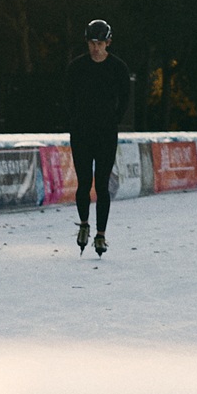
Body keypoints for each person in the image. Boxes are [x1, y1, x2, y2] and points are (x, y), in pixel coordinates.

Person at [64, 18, 134, 256]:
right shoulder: (76, 67)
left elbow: (125, 97)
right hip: (82, 132)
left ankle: (101, 234)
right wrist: (75, 120)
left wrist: (113, 119)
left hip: (105, 133)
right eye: (92, 42)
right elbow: (68, 97)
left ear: (108, 42)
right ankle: (84, 224)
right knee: (84, 182)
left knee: (102, 184)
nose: (96, 47)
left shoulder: (118, 68)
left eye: (100, 43)